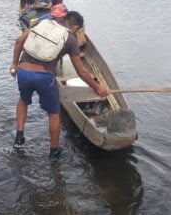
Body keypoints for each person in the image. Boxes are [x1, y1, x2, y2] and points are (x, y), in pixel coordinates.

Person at [9, 11, 108, 159]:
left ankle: (19, 137)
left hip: (23, 72)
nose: (78, 33)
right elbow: (81, 71)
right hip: (44, 78)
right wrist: (97, 87)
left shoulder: (43, 23)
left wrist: (14, 64)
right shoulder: (70, 39)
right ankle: (54, 151)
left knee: (23, 100)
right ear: (74, 27)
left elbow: (19, 41)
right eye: (79, 30)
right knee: (54, 115)